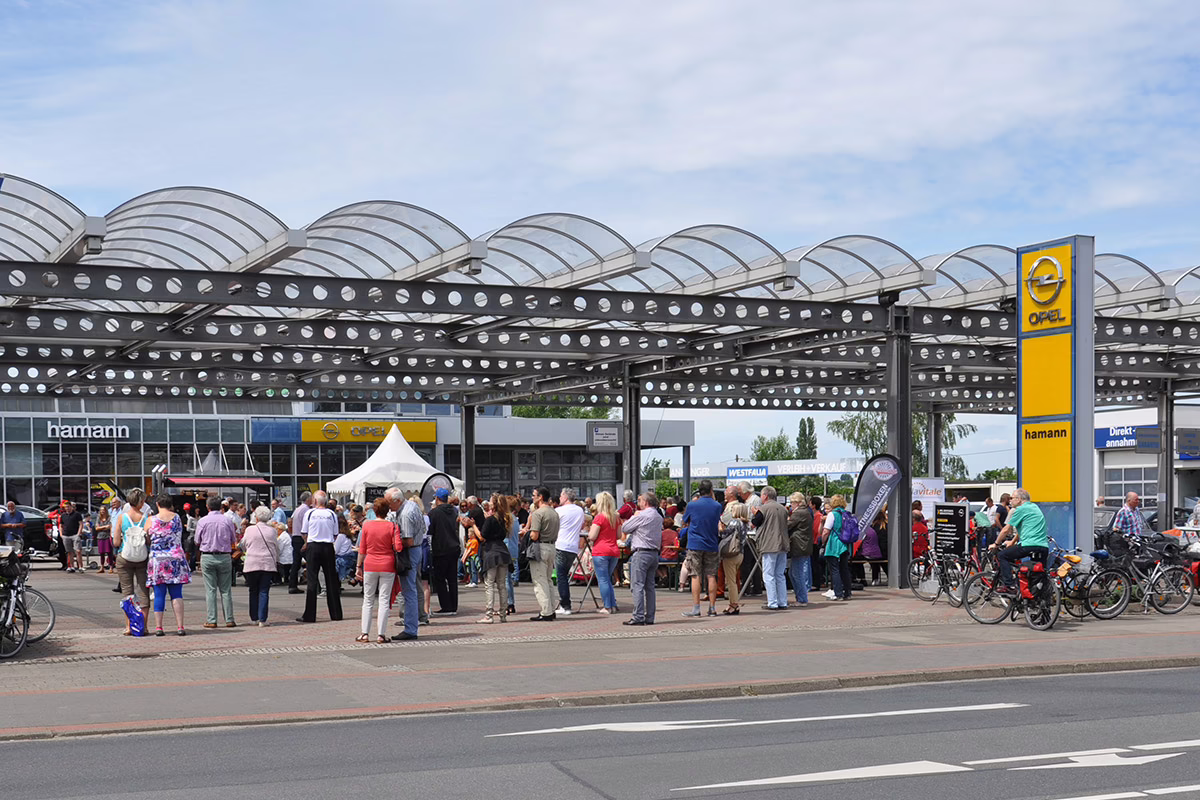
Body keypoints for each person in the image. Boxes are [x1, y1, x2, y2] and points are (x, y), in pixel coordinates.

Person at [357, 496, 403, 643]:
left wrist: (358, 566)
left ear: (374, 511)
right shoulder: (392, 526)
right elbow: (398, 547)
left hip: (370, 564)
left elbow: (362, 549)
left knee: (368, 599)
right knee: (384, 600)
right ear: (387, 511)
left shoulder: (367, 526)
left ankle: (364, 633)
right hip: (387, 565)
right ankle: (381, 635)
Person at [145, 494, 190, 637]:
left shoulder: (151, 519)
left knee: (159, 594)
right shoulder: (177, 518)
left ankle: (159, 627)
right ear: (170, 504)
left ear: (157, 504)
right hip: (175, 558)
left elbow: (146, 538)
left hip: (158, 560)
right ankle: (180, 626)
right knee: (177, 594)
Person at [989, 488, 1049, 593]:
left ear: (1019, 499)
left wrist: (996, 543)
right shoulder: (1034, 507)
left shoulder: (1021, 509)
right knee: (1037, 575)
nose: (1010, 500)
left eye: (1012, 498)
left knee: (1002, 555)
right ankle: (1036, 598)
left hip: (1028, 545)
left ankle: (1009, 586)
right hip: (1043, 547)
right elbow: (1022, 530)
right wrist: (1012, 542)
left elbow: (1006, 529)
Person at [297, 491, 343, 623]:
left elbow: (304, 532)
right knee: (331, 579)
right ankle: (336, 614)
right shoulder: (331, 514)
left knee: (312, 580)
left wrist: (307, 542)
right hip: (328, 546)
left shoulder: (310, 513)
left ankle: (309, 615)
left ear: (315, 501)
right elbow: (335, 534)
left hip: (313, 546)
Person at [619, 491, 663, 625]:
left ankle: (638, 616)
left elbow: (625, 528)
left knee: (637, 585)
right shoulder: (658, 516)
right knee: (650, 587)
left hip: (641, 552)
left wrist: (634, 516)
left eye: (640, 501)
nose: (638, 504)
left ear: (646, 502)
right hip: (654, 553)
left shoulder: (642, 515)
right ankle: (650, 616)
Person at [194, 496, 237, 629]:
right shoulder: (227, 521)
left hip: (208, 556)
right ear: (221, 507)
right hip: (224, 556)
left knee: (210, 590)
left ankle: (212, 620)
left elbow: (197, 540)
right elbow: (233, 539)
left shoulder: (203, 521)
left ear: (208, 507)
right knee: (226, 590)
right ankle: (229, 619)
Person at [681, 480, 722, 618]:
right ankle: (712, 608)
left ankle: (696, 608)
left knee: (695, 575)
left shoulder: (692, 505)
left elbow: (685, 521)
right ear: (711, 490)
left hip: (695, 544)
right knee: (711, 575)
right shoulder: (717, 506)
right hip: (712, 543)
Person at [113, 491, 151, 635]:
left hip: (125, 557)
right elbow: (149, 541)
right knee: (144, 592)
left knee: (127, 592)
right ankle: (144, 626)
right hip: (142, 558)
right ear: (141, 502)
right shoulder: (147, 518)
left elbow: (116, 542)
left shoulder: (122, 518)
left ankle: (129, 627)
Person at [388, 487, 423, 640]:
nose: (388, 506)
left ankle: (410, 629)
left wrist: (392, 543)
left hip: (410, 552)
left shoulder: (405, 514)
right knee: (413, 589)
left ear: (397, 500)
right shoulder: (412, 505)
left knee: (409, 591)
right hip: (417, 549)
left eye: (389, 503)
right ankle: (412, 625)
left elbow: (408, 541)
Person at [239, 506, 280, 627]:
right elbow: (276, 547)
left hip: (252, 563)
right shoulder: (272, 531)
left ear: (256, 517)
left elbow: (243, 544)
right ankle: (263, 619)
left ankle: (254, 618)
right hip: (267, 564)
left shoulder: (249, 530)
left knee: (253, 590)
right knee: (264, 591)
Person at [477, 494, 513, 623]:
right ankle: (503, 614)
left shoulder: (491, 520)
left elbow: (482, 536)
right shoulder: (505, 519)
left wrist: (473, 525)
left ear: (494, 504)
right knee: (502, 585)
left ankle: (489, 615)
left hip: (491, 552)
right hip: (503, 551)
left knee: (489, 584)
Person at [752, 486, 790, 610]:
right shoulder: (783, 509)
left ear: (766, 496)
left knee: (768, 574)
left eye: (761, 495)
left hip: (769, 545)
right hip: (783, 544)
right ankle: (782, 601)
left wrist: (754, 513)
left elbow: (755, 522)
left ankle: (772, 602)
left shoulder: (763, 509)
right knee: (780, 574)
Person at [526, 486, 560, 621]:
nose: (532, 497)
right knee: (548, 580)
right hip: (552, 546)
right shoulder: (554, 512)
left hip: (540, 548)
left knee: (540, 581)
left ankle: (546, 612)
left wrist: (527, 533)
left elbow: (534, 535)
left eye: (534, 495)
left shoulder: (538, 513)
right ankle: (551, 609)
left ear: (540, 497)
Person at [586, 491, 622, 615]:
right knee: (608, 578)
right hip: (614, 550)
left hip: (601, 551)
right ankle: (612, 604)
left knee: (603, 580)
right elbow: (619, 535)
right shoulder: (616, 517)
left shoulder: (599, 517)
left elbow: (592, 536)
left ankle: (607, 607)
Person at [427, 488, 461, 615]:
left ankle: (446, 606)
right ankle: (453, 606)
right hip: (454, 547)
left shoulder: (434, 513)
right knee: (452, 579)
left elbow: (429, 531)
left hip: (441, 549)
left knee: (440, 579)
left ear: (437, 498)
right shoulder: (454, 511)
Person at [554, 488, 586, 616]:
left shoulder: (559, 511)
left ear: (566, 497)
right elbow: (582, 525)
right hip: (573, 546)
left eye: (561, 496)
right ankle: (565, 603)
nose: (560, 498)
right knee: (565, 575)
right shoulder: (580, 510)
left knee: (561, 576)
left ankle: (565, 605)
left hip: (561, 544)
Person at [718, 502, 749, 615]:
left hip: (731, 553)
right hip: (740, 553)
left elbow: (724, 535)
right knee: (734, 579)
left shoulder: (734, 522)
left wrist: (720, 528)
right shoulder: (745, 523)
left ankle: (734, 605)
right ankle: (732, 603)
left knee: (731, 581)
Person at [822, 494, 853, 602]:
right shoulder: (847, 514)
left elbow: (826, 531)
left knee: (834, 569)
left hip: (834, 543)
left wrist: (823, 541)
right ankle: (847, 593)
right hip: (845, 544)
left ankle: (838, 593)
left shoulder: (832, 514)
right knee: (844, 568)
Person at [787, 492, 813, 606]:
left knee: (796, 573)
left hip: (799, 545)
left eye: (792, 503)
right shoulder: (806, 511)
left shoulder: (798, 513)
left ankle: (802, 599)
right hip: (803, 545)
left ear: (797, 503)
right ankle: (800, 597)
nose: (791, 505)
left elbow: (788, 525)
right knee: (794, 573)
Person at [287, 492, 312, 594]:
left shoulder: (298, 509)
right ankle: (314, 585)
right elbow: (307, 526)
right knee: (311, 561)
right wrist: (306, 541)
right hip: (302, 537)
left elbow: (290, 521)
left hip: (295, 536)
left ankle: (292, 585)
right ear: (308, 499)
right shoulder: (306, 510)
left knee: (296, 563)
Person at [60, 502, 85, 573]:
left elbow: (81, 524)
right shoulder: (63, 515)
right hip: (66, 535)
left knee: (78, 551)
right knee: (69, 552)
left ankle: (80, 566)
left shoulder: (77, 514)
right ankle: (71, 567)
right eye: (66, 507)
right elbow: (61, 525)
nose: (67, 508)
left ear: (71, 507)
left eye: (68, 507)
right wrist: (61, 534)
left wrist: (78, 533)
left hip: (75, 535)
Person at [809, 495, 825, 591]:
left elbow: (815, 530)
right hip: (813, 541)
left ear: (813, 505)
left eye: (810, 503)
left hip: (815, 542)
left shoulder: (818, 516)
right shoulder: (815, 516)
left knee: (815, 563)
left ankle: (817, 582)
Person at [93, 504, 114, 573]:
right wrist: (105, 527)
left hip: (107, 537)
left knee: (109, 552)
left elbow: (110, 526)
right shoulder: (98, 518)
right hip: (100, 537)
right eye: (101, 510)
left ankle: (111, 567)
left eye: (103, 510)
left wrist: (101, 527)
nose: (102, 512)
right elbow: (96, 528)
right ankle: (102, 567)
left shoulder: (109, 518)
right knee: (101, 553)